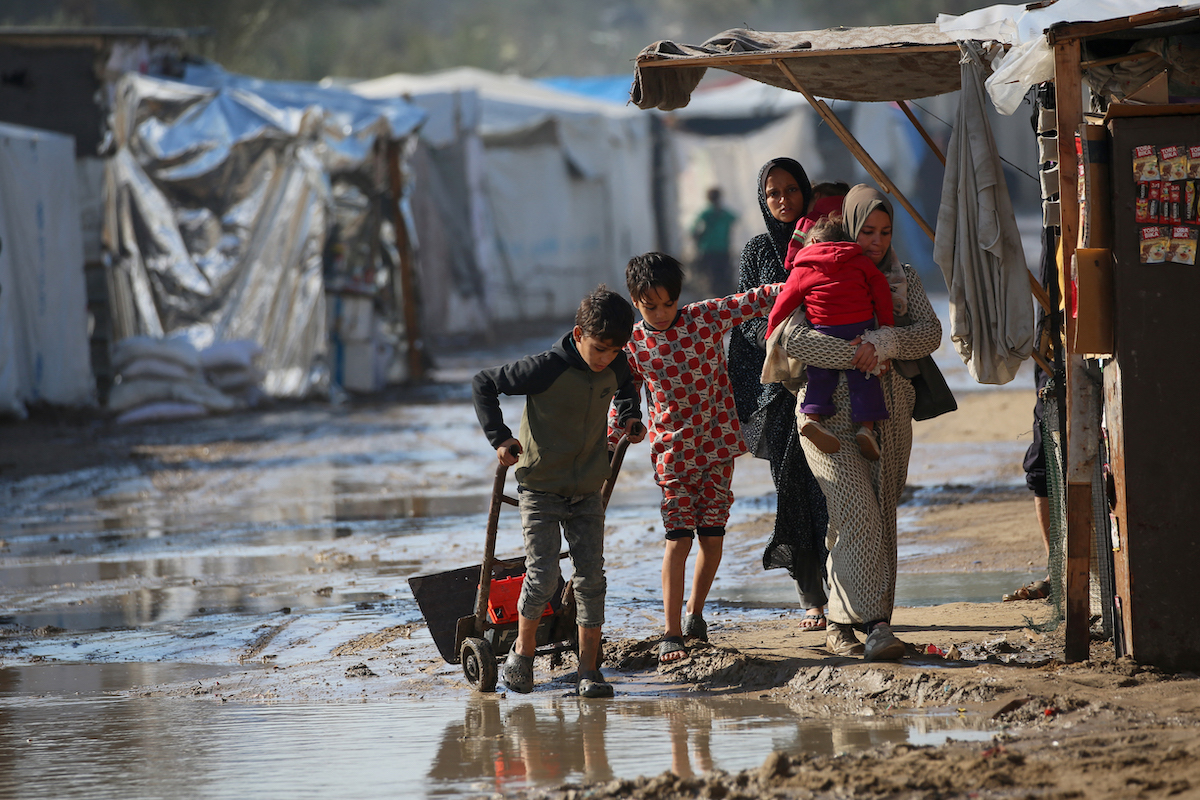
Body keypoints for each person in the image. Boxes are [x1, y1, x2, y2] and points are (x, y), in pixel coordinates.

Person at [781, 184, 942, 661]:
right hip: (823, 416)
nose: (876, 240)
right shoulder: (819, 268)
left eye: (885, 231)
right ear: (848, 228)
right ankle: (865, 626)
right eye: (866, 230)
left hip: (889, 412)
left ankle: (856, 625)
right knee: (857, 510)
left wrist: (885, 342)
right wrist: (857, 354)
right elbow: (792, 338)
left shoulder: (904, 278)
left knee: (876, 515)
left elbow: (929, 334)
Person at [472, 286, 646, 696]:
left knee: (591, 578)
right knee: (544, 576)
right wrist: (500, 438)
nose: (606, 358)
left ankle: (589, 670)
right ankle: (522, 650)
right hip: (541, 488)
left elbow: (627, 384)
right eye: (600, 348)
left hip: (587, 486)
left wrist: (630, 416)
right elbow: (484, 383)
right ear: (578, 333)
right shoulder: (546, 367)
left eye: (615, 350)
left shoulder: (617, 363)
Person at [623, 251, 780, 663]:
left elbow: (755, 299)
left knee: (712, 537)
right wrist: (620, 430)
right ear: (636, 302)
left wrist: (806, 281)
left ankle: (695, 614)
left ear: (679, 297)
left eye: (668, 303)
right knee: (678, 540)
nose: (661, 313)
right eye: (650, 306)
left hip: (717, 448)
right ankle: (671, 632)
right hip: (671, 455)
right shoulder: (634, 344)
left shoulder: (704, 317)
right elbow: (622, 396)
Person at [728, 157, 830, 633]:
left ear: (806, 191)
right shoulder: (757, 253)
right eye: (773, 193)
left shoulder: (826, 240)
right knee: (792, 486)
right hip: (779, 392)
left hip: (830, 382)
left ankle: (847, 594)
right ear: (762, 200)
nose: (783, 199)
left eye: (791, 189)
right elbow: (748, 318)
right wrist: (787, 341)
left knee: (833, 489)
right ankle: (812, 599)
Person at [771, 215, 895, 461]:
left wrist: (771, 330)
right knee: (865, 375)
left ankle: (812, 418)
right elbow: (880, 290)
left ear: (814, 240)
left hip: (824, 328)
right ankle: (867, 429)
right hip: (860, 329)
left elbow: (785, 301)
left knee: (819, 373)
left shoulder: (804, 267)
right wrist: (886, 325)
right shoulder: (860, 260)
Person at [690, 187, 738, 296]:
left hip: (708, 249)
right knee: (724, 274)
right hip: (723, 248)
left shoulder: (706, 213)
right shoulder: (725, 213)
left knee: (712, 276)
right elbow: (735, 219)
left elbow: (694, 229)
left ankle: (714, 297)